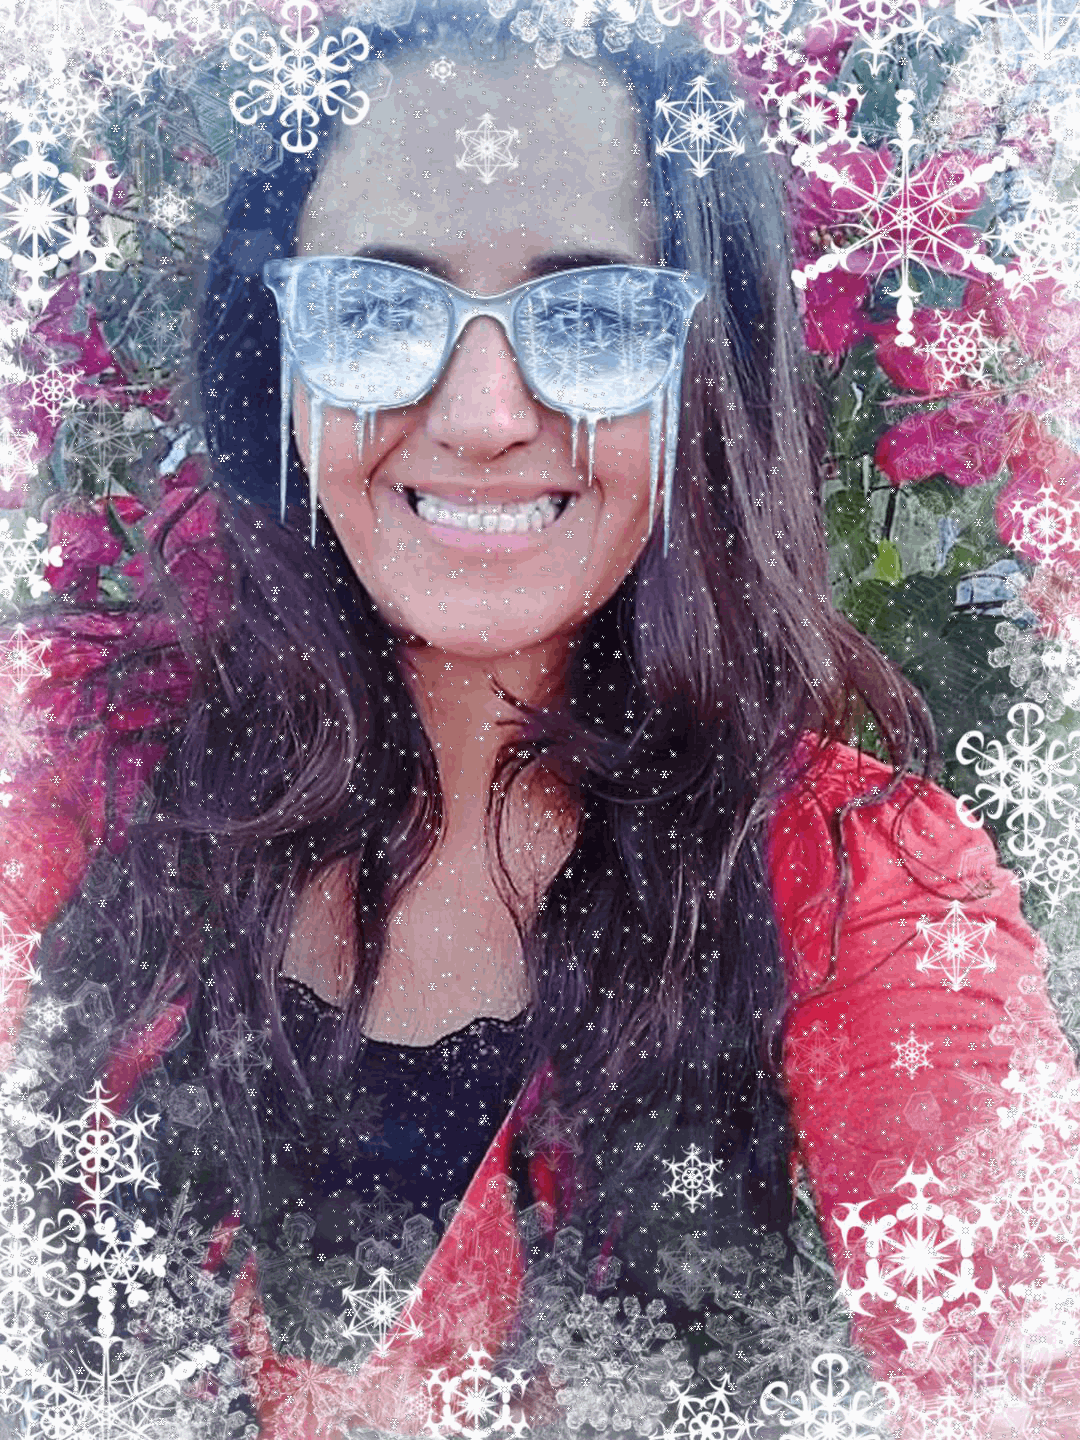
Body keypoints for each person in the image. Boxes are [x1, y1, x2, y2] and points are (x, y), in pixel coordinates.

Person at [2, 3, 1078, 1437]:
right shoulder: (66, 774)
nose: (483, 414)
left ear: (709, 366)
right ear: (280, 354)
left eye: (598, 315)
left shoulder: (860, 897)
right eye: (378, 306)